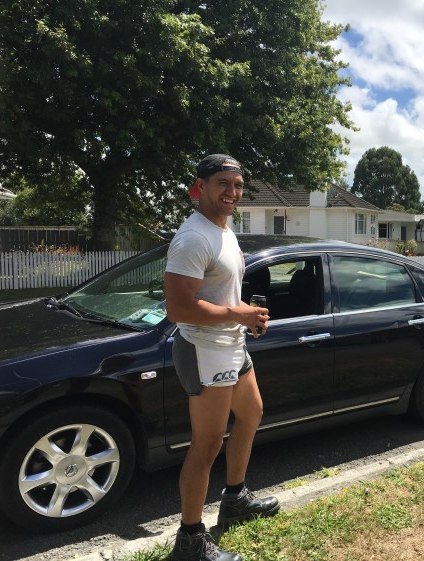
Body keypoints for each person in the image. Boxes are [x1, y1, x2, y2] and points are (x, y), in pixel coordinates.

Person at [164, 154, 279, 561]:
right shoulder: (193, 238)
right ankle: (191, 541)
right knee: (207, 444)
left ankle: (235, 500)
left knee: (251, 413)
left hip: (232, 343)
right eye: (222, 183)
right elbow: (178, 308)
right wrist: (237, 314)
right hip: (204, 349)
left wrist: (246, 313)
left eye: (238, 185)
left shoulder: (225, 231)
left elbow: (218, 293)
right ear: (200, 187)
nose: (232, 192)